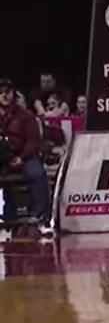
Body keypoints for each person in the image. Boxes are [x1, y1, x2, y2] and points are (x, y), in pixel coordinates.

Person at [0, 78, 50, 223]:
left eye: (7, 92)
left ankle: (40, 215)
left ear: (13, 94)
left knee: (37, 174)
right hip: (2, 157)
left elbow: (33, 141)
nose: (4, 95)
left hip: (25, 156)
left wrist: (22, 157)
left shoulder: (26, 115)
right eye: (1, 92)